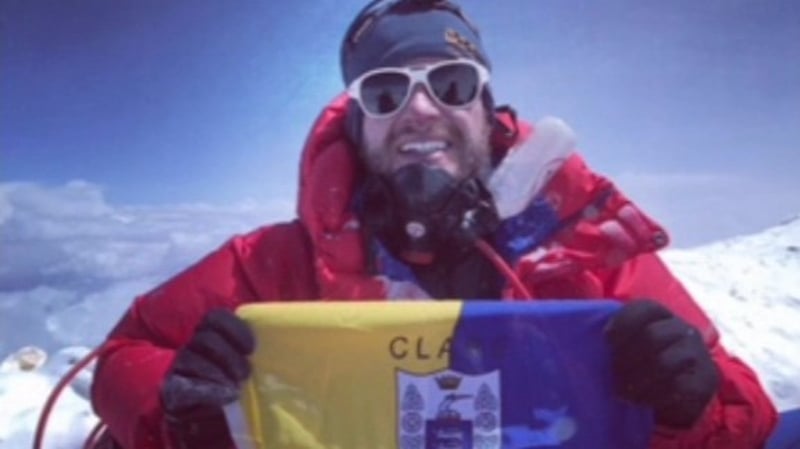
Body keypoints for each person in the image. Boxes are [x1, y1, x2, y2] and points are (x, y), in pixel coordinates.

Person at [90, 1, 778, 448]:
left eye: (449, 83)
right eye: (385, 92)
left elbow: (745, 412)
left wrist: (691, 404)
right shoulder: (270, 263)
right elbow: (127, 349)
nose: (420, 110)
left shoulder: (587, 250)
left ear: (487, 111)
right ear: (357, 126)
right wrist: (180, 411)